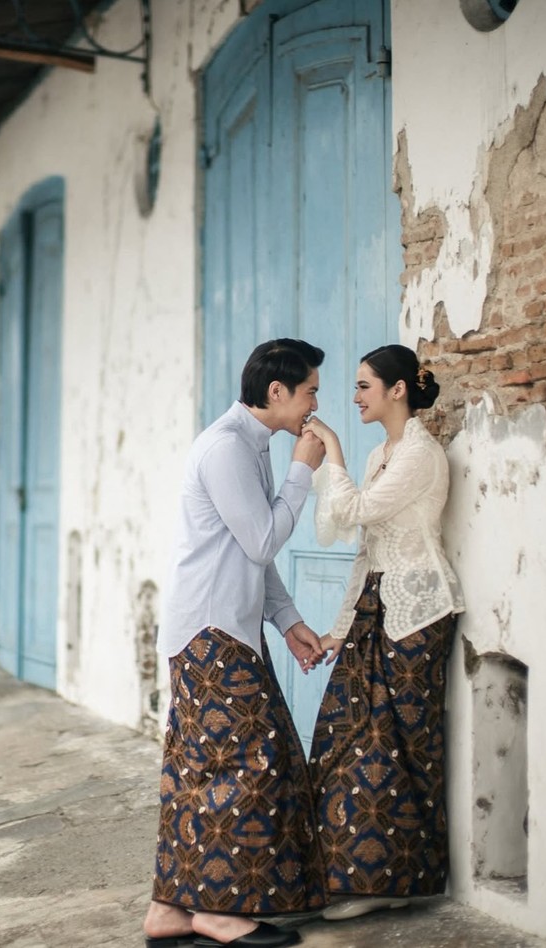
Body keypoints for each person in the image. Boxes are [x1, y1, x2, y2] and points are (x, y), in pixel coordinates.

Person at [143, 339, 329, 948]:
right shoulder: (226, 448)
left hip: (224, 628)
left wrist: (289, 620)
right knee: (249, 764)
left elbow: (253, 553)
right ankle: (220, 912)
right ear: (277, 393)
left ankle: (170, 911)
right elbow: (262, 539)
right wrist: (304, 469)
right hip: (211, 632)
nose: (314, 404)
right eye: (309, 392)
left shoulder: (250, 445)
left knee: (199, 768)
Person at [302, 344, 465, 921]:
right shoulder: (382, 455)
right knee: (345, 737)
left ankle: (399, 881)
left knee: (401, 749)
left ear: (398, 390)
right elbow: (364, 553)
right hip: (375, 609)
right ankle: (352, 875)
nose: (354, 397)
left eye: (364, 386)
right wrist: (337, 629)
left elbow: (362, 510)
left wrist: (334, 453)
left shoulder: (420, 453)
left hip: (420, 611)